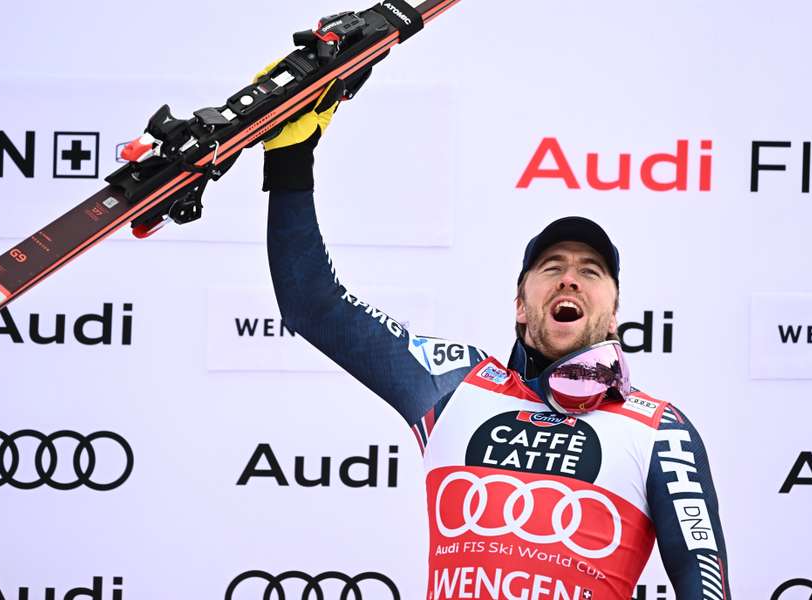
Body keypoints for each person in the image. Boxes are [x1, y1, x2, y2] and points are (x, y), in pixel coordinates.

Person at [262, 78, 731, 600]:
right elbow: (314, 306)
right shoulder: (455, 384)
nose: (570, 278)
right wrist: (289, 160)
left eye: (591, 272)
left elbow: (704, 585)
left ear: (615, 314)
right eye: (552, 267)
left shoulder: (659, 427)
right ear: (520, 306)